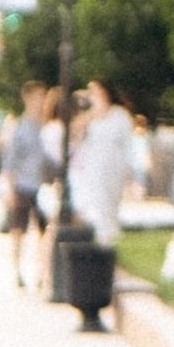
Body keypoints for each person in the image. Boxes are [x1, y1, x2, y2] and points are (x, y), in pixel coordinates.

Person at [69, 79, 138, 249]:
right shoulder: (89, 116)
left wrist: (130, 172)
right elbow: (74, 135)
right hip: (93, 165)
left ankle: (107, 242)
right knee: (95, 203)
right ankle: (98, 239)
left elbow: (128, 145)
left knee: (110, 203)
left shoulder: (119, 115)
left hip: (113, 165)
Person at [0, 80, 53, 288]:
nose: (42, 101)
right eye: (39, 96)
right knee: (18, 230)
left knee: (43, 230)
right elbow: (10, 160)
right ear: (28, 98)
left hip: (43, 186)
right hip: (22, 184)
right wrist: (10, 189)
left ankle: (42, 272)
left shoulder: (48, 126)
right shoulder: (19, 126)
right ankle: (17, 270)